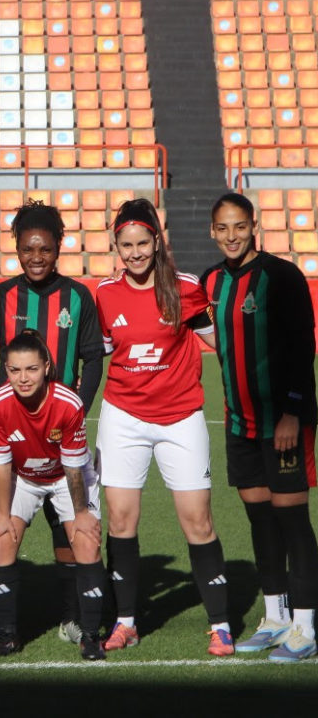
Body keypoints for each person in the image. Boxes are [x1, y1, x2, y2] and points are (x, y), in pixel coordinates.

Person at [95, 198, 232, 656]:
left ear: (157, 241)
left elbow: (220, 340)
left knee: (198, 520)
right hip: (123, 417)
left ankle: (220, 625)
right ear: (115, 244)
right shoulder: (105, 294)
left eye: (141, 243)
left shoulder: (186, 288)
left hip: (181, 417)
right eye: (125, 244)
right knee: (120, 520)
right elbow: (101, 349)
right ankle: (126, 621)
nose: (133, 253)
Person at [0, 199, 105, 644]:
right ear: (16, 247)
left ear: (58, 247)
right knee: (3, 527)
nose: (36, 257)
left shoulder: (77, 297)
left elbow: (91, 358)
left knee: (69, 531)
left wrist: (73, 411)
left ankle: (73, 617)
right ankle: (1, 621)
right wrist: (2, 405)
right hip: (17, 434)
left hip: (62, 431)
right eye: (28, 248)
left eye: (45, 249)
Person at [203, 193, 318, 661]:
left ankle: (306, 627)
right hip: (239, 424)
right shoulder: (211, 280)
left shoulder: (280, 275)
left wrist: (292, 410)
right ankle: (275, 617)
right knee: (260, 520)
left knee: (293, 520)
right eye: (223, 228)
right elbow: (204, 329)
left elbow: (302, 343)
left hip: (284, 422)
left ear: (255, 226)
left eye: (240, 227)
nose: (232, 236)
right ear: (213, 231)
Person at [0, 330, 106, 661]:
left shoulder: (68, 403)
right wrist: (1, 515)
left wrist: (82, 514)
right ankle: (8, 632)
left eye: (31, 369)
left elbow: (73, 468)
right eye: (15, 370)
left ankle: (91, 635)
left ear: (47, 367)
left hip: (67, 478)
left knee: (85, 539)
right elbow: (2, 464)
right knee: (1, 539)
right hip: (23, 477)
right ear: (6, 369)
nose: (23, 379)